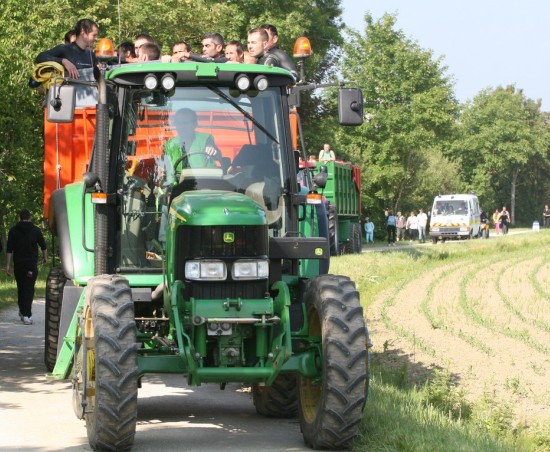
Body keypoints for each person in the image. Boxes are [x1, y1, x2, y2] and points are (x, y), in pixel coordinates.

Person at [5, 209, 48, 325]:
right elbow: (43, 246)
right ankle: (27, 315)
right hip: (30, 265)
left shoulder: (13, 231)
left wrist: (8, 265)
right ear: (30, 218)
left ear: (20, 218)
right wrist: (45, 258)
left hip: (19, 264)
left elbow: (9, 250)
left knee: (21, 288)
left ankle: (22, 311)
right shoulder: (36, 230)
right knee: (29, 288)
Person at [35, 18, 99, 79]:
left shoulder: (91, 55)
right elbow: (40, 57)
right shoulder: (64, 49)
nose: (96, 39)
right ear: (83, 34)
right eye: (94, 35)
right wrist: (63, 61)